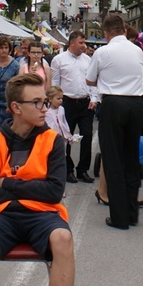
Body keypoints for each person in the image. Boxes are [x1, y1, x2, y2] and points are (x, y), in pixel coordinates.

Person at [0, 73, 74, 286]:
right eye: (37, 103)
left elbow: (54, 192)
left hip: (43, 214)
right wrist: (35, 187)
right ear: (16, 107)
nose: (45, 108)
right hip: (3, 214)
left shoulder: (53, 141)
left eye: (44, 101)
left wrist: (7, 183)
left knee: (63, 238)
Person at [86, 14, 143, 229]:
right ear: (124, 30)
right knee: (131, 159)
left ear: (106, 33)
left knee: (113, 159)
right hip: (136, 104)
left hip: (113, 103)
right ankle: (131, 212)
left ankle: (119, 217)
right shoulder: (137, 50)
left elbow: (90, 79)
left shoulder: (103, 51)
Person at [51, 31, 98, 184]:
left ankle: (82, 170)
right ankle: (68, 169)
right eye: (81, 42)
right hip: (67, 102)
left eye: (84, 43)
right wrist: (55, 101)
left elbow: (92, 81)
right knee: (66, 137)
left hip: (85, 103)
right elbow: (55, 83)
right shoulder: (59, 60)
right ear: (72, 42)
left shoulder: (88, 60)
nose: (84, 46)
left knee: (87, 135)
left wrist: (94, 98)